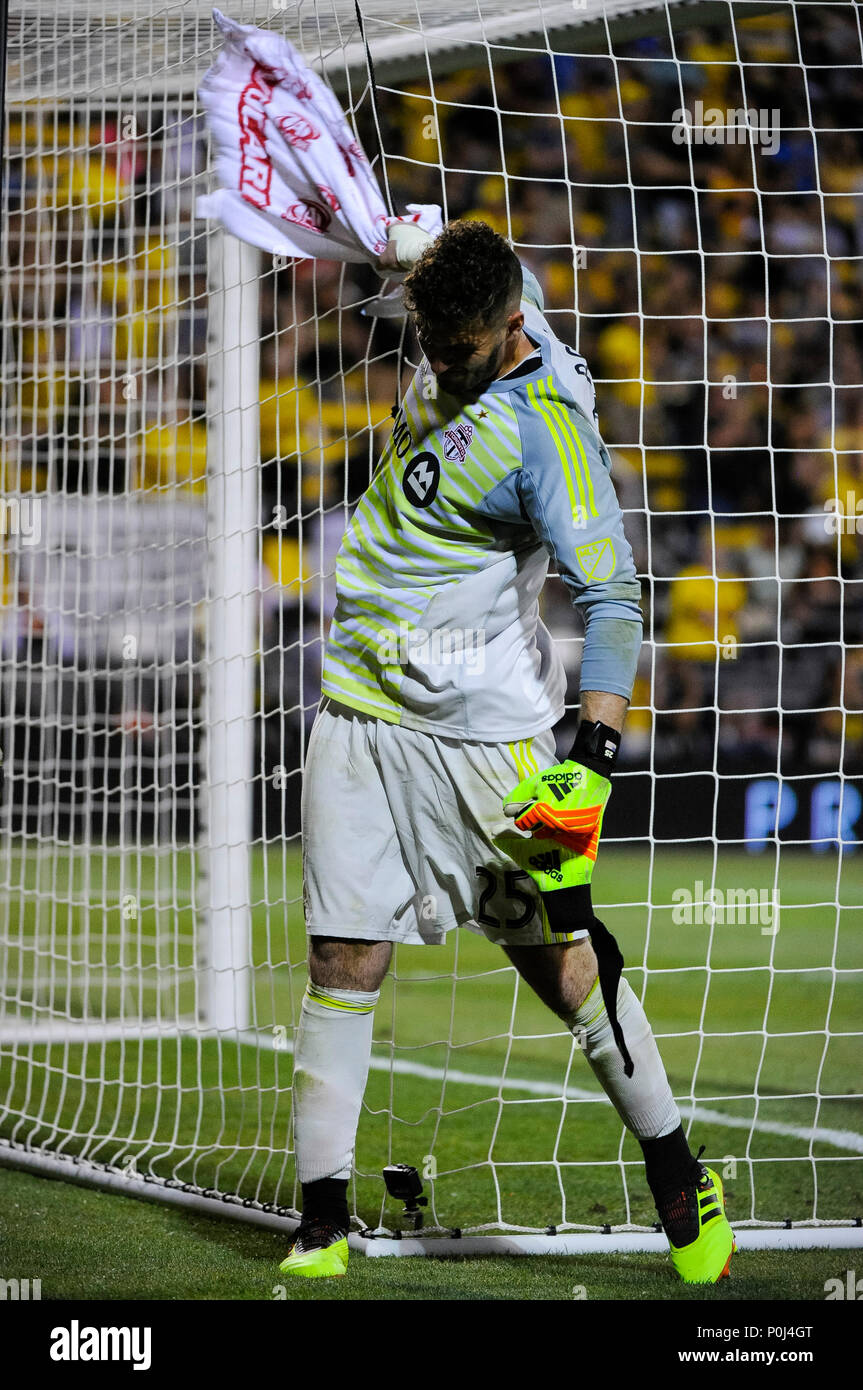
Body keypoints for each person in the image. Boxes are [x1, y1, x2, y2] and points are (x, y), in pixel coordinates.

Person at [281, 219, 734, 1284]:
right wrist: (398, 234)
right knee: (342, 955)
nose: (437, 363)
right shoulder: (473, 287)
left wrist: (593, 754)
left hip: (479, 738)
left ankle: (674, 1165)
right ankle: (320, 1218)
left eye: (457, 350)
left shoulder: (546, 434)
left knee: (563, 967)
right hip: (357, 706)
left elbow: (614, 599)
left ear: (508, 326)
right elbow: (451, 250)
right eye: (427, 342)